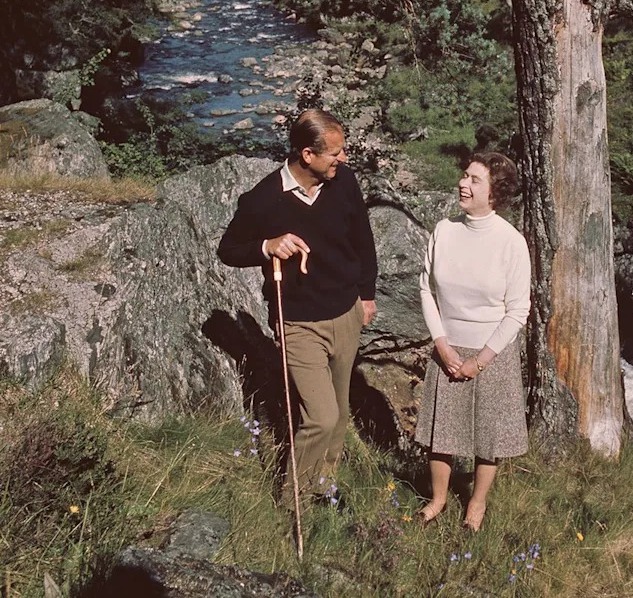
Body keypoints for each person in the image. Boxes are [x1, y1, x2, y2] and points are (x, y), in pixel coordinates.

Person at [217, 109, 378, 506]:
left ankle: (324, 486)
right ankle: (293, 499)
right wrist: (266, 246)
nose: (342, 159)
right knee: (320, 417)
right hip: (297, 322)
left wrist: (367, 295)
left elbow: (363, 240)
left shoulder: (344, 183)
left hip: (346, 313)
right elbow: (228, 250)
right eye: (334, 153)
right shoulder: (263, 199)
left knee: (339, 414)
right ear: (308, 155)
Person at [415, 151, 531, 531]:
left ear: (494, 194)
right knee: (441, 434)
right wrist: (442, 345)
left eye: (474, 180)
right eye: (464, 175)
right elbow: (426, 289)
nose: (463, 184)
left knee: (488, 437)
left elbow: (517, 311)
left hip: (491, 354)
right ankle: (437, 500)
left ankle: (476, 505)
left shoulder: (511, 243)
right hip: (448, 348)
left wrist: (479, 360)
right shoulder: (444, 231)